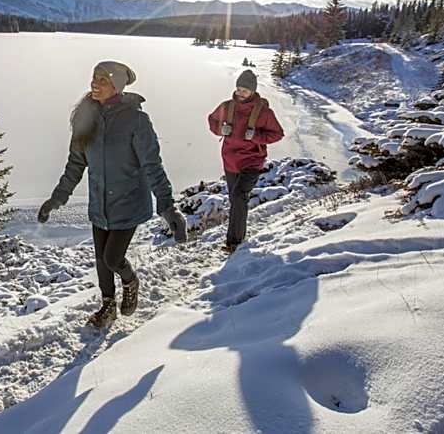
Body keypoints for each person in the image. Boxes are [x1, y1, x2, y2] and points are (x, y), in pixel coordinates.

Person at [38, 61, 187, 329]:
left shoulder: (136, 121)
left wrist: (167, 207)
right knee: (101, 261)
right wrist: (57, 198)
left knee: (112, 258)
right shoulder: (87, 118)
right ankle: (108, 306)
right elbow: (75, 164)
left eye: (102, 80)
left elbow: (152, 165)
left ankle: (130, 282)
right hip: (100, 204)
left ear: (116, 85)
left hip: (128, 203)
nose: (94, 83)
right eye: (93, 77)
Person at [207, 69, 284, 254]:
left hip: (252, 161)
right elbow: (212, 120)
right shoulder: (227, 106)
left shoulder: (263, 112)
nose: (241, 93)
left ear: (253, 91)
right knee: (235, 200)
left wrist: (256, 136)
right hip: (230, 160)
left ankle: (234, 243)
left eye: (245, 90)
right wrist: (220, 129)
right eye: (239, 89)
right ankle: (236, 239)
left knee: (239, 197)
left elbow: (277, 134)